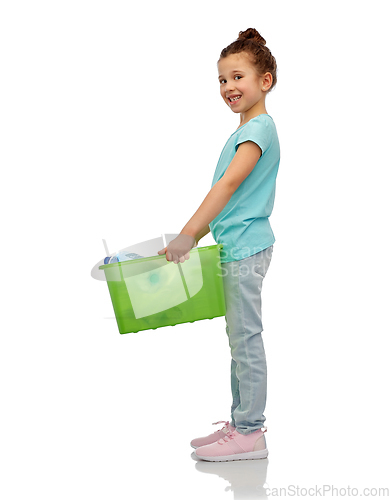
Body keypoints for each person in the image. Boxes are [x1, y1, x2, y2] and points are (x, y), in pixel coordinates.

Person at [158, 28, 280, 462]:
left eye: (237, 77)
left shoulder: (259, 129)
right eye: (222, 80)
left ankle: (251, 432)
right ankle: (241, 423)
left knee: (246, 339)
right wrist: (197, 239)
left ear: (265, 80)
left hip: (247, 250)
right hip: (235, 246)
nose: (228, 87)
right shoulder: (245, 130)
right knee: (238, 338)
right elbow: (230, 201)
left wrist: (188, 232)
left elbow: (228, 186)